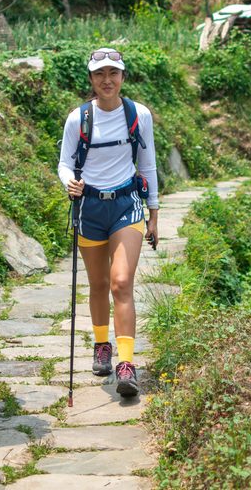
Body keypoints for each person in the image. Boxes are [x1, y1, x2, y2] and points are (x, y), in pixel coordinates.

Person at [57, 48, 159, 397]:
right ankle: (102, 344)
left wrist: (154, 213)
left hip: (126, 206)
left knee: (120, 283)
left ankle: (126, 363)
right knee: (98, 284)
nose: (107, 80)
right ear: (91, 80)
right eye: (99, 74)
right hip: (89, 209)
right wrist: (68, 182)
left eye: (113, 73)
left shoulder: (138, 115)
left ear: (123, 77)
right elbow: (65, 163)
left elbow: (147, 165)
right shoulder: (78, 118)